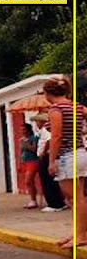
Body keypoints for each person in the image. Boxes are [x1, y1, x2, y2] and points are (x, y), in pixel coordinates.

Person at [44, 77, 87, 248]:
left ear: (48, 93)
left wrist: (51, 161)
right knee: (78, 197)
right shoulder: (76, 106)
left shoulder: (55, 109)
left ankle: (81, 235)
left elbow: (56, 136)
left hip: (67, 156)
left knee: (75, 198)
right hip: (80, 153)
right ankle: (79, 232)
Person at [33, 112, 67, 212]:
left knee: (47, 180)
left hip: (46, 156)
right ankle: (58, 202)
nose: (36, 123)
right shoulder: (42, 131)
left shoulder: (46, 130)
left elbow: (49, 140)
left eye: (37, 121)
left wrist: (43, 152)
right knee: (50, 180)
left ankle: (54, 203)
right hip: (46, 156)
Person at [19, 123, 42, 209]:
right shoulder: (21, 140)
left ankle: (33, 200)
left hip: (33, 160)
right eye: (21, 130)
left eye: (24, 129)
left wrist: (27, 144)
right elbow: (21, 152)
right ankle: (33, 199)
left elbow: (34, 149)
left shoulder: (34, 138)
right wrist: (20, 163)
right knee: (30, 182)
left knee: (28, 180)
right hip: (25, 160)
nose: (22, 131)